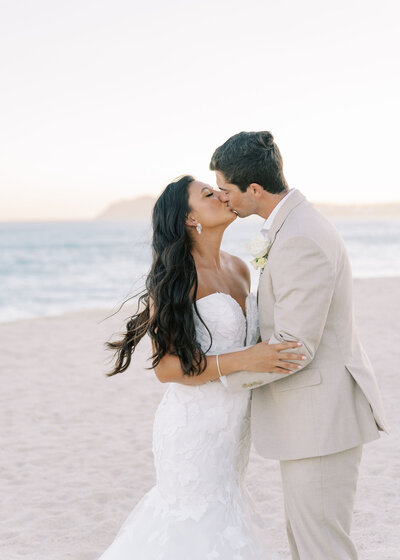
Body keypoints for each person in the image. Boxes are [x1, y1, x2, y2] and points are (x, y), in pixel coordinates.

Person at [97, 174, 304, 559]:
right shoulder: (176, 277)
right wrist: (248, 359)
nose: (221, 195)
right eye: (208, 194)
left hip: (233, 427)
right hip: (193, 428)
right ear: (189, 218)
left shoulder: (240, 268)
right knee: (195, 526)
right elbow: (168, 369)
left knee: (223, 517)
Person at [209, 130, 389, 559]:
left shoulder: (300, 236)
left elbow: (293, 348)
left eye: (226, 190)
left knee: (322, 547)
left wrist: (216, 371)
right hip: (312, 421)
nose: (224, 199)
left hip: (322, 420)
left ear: (253, 189)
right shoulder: (292, 226)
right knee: (308, 543)